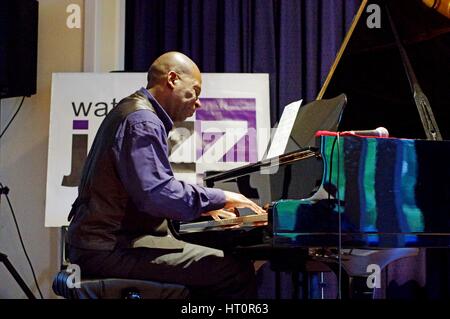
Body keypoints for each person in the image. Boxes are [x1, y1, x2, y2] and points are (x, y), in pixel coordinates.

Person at [66, 51, 265, 299]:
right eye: (195, 91)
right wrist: (221, 197)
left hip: (103, 242)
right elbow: (156, 193)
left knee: (216, 258)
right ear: (172, 79)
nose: (199, 102)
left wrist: (202, 207)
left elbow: (149, 190)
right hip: (107, 248)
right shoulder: (143, 121)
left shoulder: (134, 111)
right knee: (233, 271)